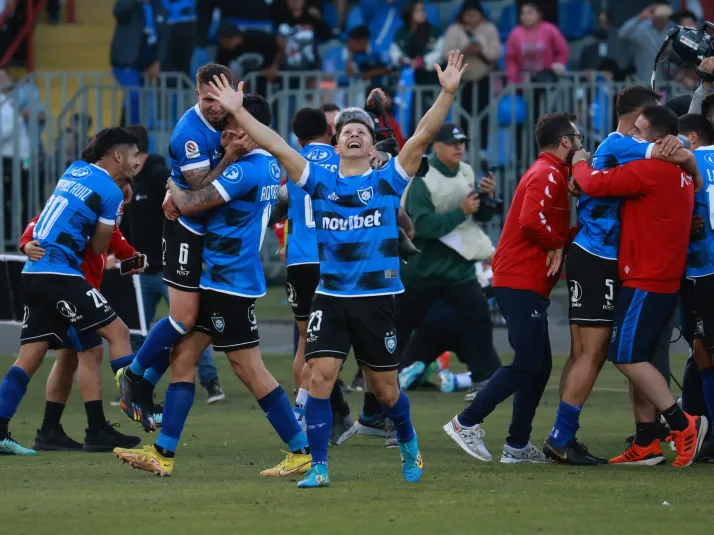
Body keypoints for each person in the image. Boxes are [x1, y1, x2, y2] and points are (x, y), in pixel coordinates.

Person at [206, 50, 469, 487]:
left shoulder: (387, 180)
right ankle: (320, 466)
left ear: (370, 146)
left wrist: (446, 93)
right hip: (330, 297)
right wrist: (237, 111)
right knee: (320, 378)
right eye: (346, 131)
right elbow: (274, 143)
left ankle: (409, 447)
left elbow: (422, 136)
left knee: (386, 391)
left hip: (375, 301)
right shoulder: (320, 180)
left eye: (360, 132)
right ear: (336, 142)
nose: (353, 136)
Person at [114, 95, 312, 478]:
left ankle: (300, 449)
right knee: (183, 358)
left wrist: (173, 187)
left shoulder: (246, 169)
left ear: (252, 132)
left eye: (235, 125)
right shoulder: (270, 166)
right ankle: (163, 452)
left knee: (249, 369)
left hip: (228, 283)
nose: (227, 131)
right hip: (222, 278)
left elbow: (191, 203)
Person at [544, 87, 701, 464]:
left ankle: (645, 438)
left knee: (615, 353)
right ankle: (563, 436)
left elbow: (678, 148)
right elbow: (595, 182)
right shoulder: (627, 147)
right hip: (600, 257)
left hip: (623, 263)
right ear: (638, 118)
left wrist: (689, 163)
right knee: (599, 352)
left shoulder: (653, 155)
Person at [117, 63, 246, 432]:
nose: (215, 107)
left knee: (192, 334)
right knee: (184, 319)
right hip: (185, 231)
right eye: (207, 99)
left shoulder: (236, 116)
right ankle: (135, 375)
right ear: (196, 94)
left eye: (220, 99)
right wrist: (230, 157)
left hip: (213, 238)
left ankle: (144, 392)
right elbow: (196, 191)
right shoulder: (190, 132)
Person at [444, 112, 579, 464]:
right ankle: (465, 422)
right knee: (529, 362)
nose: (581, 143)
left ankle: (516, 445)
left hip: (526, 281)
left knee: (540, 365)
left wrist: (562, 241)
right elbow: (532, 221)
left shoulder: (554, 173)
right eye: (576, 137)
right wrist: (558, 244)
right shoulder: (547, 173)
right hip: (519, 279)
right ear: (565, 141)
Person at [0, 127, 139, 455]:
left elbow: (50, 215)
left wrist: (127, 251)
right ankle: (138, 403)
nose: (136, 161)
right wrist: (111, 219)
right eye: (134, 155)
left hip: (35, 274)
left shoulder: (74, 172)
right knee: (117, 333)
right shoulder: (110, 194)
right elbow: (97, 246)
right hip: (63, 277)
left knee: (42, 357)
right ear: (118, 156)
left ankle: (46, 430)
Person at [20, 203, 141, 453]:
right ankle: (98, 428)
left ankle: (49, 430)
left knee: (67, 358)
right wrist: (26, 244)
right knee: (92, 351)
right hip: (74, 291)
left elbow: (120, 245)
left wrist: (134, 259)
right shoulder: (83, 206)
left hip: (71, 290)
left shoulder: (106, 214)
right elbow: (36, 225)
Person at [120, 124, 225, 408]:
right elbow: (128, 229)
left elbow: (181, 203)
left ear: (137, 154)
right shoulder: (129, 184)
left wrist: (171, 193)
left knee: (187, 324)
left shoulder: (157, 177)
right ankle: (136, 385)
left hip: (170, 270)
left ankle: (210, 381)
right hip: (141, 272)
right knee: (138, 330)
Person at [395, 122, 501, 403]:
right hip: (422, 271)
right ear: (436, 146)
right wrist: (460, 211)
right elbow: (420, 227)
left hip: (458, 269)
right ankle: (375, 378)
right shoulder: (423, 178)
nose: (459, 148)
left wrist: (486, 198)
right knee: (400, 327)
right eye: (452, 143)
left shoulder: (465, 171)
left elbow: (480, 216)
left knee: (479, 319)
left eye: (462, 143)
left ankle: (484, 379)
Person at [276, 106, 354, 444]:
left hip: (299, 263)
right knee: (339, 342)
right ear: (330, 130)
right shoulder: (343, 161)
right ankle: (312, 414)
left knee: (305, 345)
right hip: (333, 260)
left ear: (297, 137)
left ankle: (305, 417)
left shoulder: (293, 163)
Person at [677, 113, 714, 459]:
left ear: (690, 137)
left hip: (705, 271)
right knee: (702, 351)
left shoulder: (690, 162)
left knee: (704, 354)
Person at [443, 0, 501, 147]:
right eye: (468, 15)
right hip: (462, 81)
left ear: (481, 15)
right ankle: (464, 149)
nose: (472, 18)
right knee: (462, 116)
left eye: (475, 14)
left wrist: (481, 49)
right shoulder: (454, 29)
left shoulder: (489, 28)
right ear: (462, 15)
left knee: (484, 115)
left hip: (484, 78)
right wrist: (464, 50)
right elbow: (445, 54)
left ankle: (483, 151)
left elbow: (495, 53)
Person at [504, 2, 569, 84]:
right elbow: (510, 58)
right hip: (523, 77)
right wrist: (512, 77)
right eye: (523, 13)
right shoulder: (515, 33)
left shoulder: (550, 29)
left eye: (530, 13)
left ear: (539, 15)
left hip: (547, 75)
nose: (525, 16)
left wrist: (560, 63)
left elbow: (563, 50)